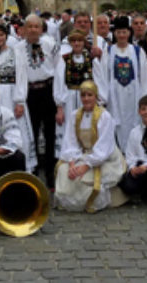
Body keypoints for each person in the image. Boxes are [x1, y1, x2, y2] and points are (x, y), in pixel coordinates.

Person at [54, 80, 127, 212]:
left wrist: (85, 165)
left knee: (87, 177)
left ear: (96, 96)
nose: (86, 98)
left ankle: (90, 202)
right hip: (82, 155)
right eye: (83, 95)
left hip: (102, 157)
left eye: (89, 95)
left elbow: (104, 148)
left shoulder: (105, 116)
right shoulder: (75, 115)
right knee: (63, 170)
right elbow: (70, 142)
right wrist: (72, 164)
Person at [0, 21, 37, 171]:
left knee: (16, 130)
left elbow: (21, 78)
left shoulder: (15, 54)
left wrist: (20, 101)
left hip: (11, 97)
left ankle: (21, 165)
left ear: (6, 36)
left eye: (1, 35)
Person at [19, 14, 60, 187]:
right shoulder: (18, 48)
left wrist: (59, 99)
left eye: (36, 26)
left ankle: (51, 171)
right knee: (31, 132)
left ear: (41, 28)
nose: (33, 30)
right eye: (30, 26)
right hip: (30, 92)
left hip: (48, 90)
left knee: (50, 133)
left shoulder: (50, 44)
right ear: (24, 29)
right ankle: (33, 170)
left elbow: (58, 70)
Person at [54, 29, 106, 156]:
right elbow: (59, 82)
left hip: (87, 99)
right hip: (70, 97)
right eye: (74, 41)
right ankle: (69, 155)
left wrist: (101, 100)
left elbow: (99, 80)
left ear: (83, 42)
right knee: (70, 127)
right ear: (70, 43)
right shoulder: (64, 59)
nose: (77, 43)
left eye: (79, 41)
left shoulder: (91, 60)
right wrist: (59, 107)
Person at [105, 16, 147, 148]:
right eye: (119, 32)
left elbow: (145, 75)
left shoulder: (137, 51)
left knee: (134, 124)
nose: (122, 35)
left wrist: (145, 96)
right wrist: (104, 96)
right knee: (115, 126)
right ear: (114, 33)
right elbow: (103, 75)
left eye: (124, 32)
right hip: (115, 96)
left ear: (129, 33)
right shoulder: (108, 51)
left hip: (134, 95)